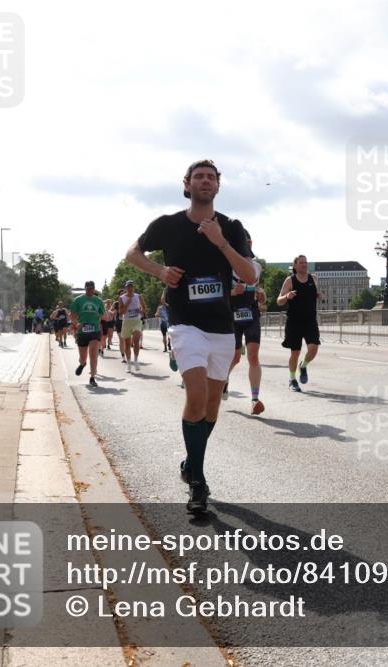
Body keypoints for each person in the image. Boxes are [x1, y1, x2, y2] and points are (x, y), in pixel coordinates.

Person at [125, 158, 255, 515]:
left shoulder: (231, 226)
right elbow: (132, 252)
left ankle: (189, 463)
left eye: (211, 177)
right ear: (187, 184)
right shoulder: (167, 225)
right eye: (198, 176)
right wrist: (159, 270)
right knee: (195, 394)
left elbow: (250, 274)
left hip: (221, 327)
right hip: (185, 323)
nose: (205, 181)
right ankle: (198, 483)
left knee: (212, 405)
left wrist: (221, 243)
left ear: (218, 186)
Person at [226, 230, 266, 414]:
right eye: (243, 243)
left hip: (251, 315)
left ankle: (255, 400)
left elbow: (254, 282)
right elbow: (219, 293)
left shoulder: (256, 266)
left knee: (253, 356)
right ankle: (223, 378)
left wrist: (260, 293)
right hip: (232, 316)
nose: (247, 246)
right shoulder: (226, 266)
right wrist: (233, 292)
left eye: (248, 243)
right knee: (234, 357)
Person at [277, 254, 322, 392]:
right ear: (295, 266)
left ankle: (303, 366)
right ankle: (292, 379)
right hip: (294, 322)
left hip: (310, 321)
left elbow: (314, 294)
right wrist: (287, 296)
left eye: (305, 262)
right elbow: (279, 301)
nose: (304, 264)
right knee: (295, 353)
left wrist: (318, 295)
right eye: (301, 262)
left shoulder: (313, 279)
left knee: (313, 348)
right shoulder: (290, 280)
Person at [70, 281, 106, 387]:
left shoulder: (98, 300)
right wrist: (77, 325)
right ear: (85, 288)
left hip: (95, 330)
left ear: (94, 289)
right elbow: (72, 315)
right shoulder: (78, 300)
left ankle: (92, 377)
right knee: (83, 358)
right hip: (82, 331)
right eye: (88, 288)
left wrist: (100, 318)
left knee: (93, 355)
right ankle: (82, 364)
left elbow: (102, 314)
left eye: (92, 288)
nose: (90, 290)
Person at [119, 280, 146, 372]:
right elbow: (120, 312)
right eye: (128, 286)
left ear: (134, 287)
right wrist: (127, 304)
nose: (130, 288)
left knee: (136, 340)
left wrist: (141, 311)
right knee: (127, 344)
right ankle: (129, 363)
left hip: (136, 321)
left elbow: (145, 308)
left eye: (131, 286)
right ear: (126, 288)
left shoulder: (139, 296)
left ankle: (136, 360)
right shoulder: (122, 298)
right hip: (126, 321)